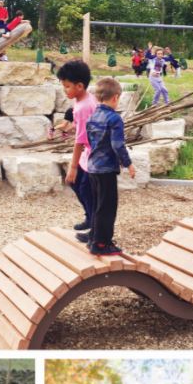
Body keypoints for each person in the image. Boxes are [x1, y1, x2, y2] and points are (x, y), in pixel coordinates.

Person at [83, 77, 136, 256]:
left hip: (92, 167)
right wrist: (128, 164)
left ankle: (93, 238)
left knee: (98, 205)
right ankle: (102, 244)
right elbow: (117, 145)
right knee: (108, 207)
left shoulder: (92, 116)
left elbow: (89, 141)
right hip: (106, 169)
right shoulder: (114, 118)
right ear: (115, 97)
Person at [58, 60, 96, 240]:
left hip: (92, 154)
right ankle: (90, 217)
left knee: (86, 189)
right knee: (76, 183)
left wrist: (73, 167)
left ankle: (95, 229)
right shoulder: (85, 100)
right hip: (88, 153)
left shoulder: (83, 107)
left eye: (67, 86)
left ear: (79, 86)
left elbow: (80, 141)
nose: (65, 90)